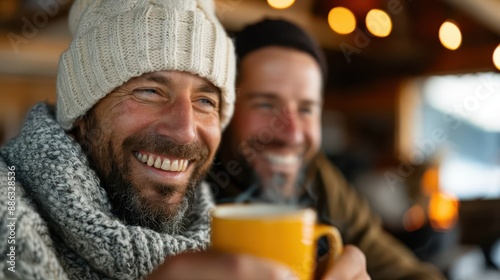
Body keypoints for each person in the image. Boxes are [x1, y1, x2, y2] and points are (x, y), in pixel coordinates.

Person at [207, 18, 445, 280]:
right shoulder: (185, 187)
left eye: (306, 109)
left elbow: (414, 275)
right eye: (265, 105)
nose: (293, 134)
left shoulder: (317, 177)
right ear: (225, 108)